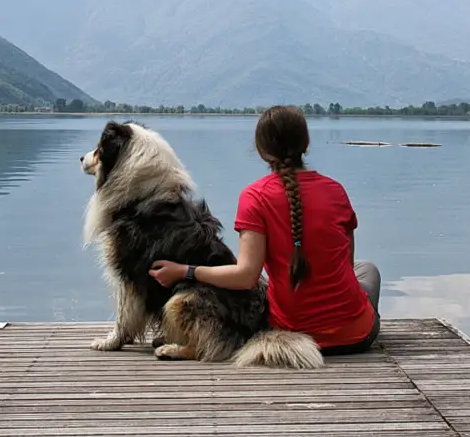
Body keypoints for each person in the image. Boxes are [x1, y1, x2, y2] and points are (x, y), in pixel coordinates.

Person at [149, 105, 381, 355]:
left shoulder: (255, 197)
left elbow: (246, 277)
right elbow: (345, 265)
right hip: (355, 336)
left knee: (276, 281)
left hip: (292, 334)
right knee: (367, 270)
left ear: (261, 150)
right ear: (306, 144)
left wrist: (186, 271)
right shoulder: (336, 191)